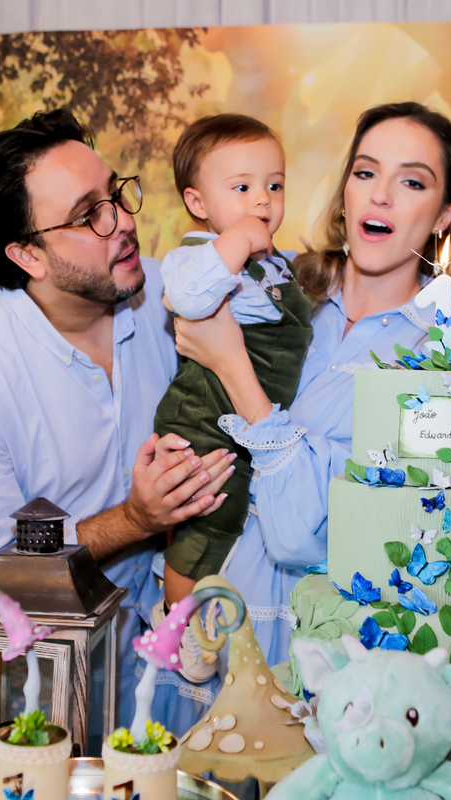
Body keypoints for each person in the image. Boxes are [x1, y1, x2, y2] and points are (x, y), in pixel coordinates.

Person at [0, 109, 235, 729]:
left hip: (174, 673)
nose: (124, 221)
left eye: (117, 193)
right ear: (27, 254)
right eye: (90, 215)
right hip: (36, 698)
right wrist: (134, 519)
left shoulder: (171, 296)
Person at [169, 102, 451, 667]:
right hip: (204, 608)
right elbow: (181, 296)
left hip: (313, 638)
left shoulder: (446, 360)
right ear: (345, 193)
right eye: (366, 172)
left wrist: (231, 363)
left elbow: (307, 534)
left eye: (411, 182)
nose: (380, 195)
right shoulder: (277, 283)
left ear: (444, 214)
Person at [154, 114, 314, 683]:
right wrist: (239, 240)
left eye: (274, 185)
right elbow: (188, 298)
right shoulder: (196, 256)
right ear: (197, 202)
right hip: (204, 415)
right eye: (242, 187)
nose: (262, 200)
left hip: (252, 420)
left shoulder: (276, 265)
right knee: (207, 522)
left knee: (236, 520)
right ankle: (175, 621)